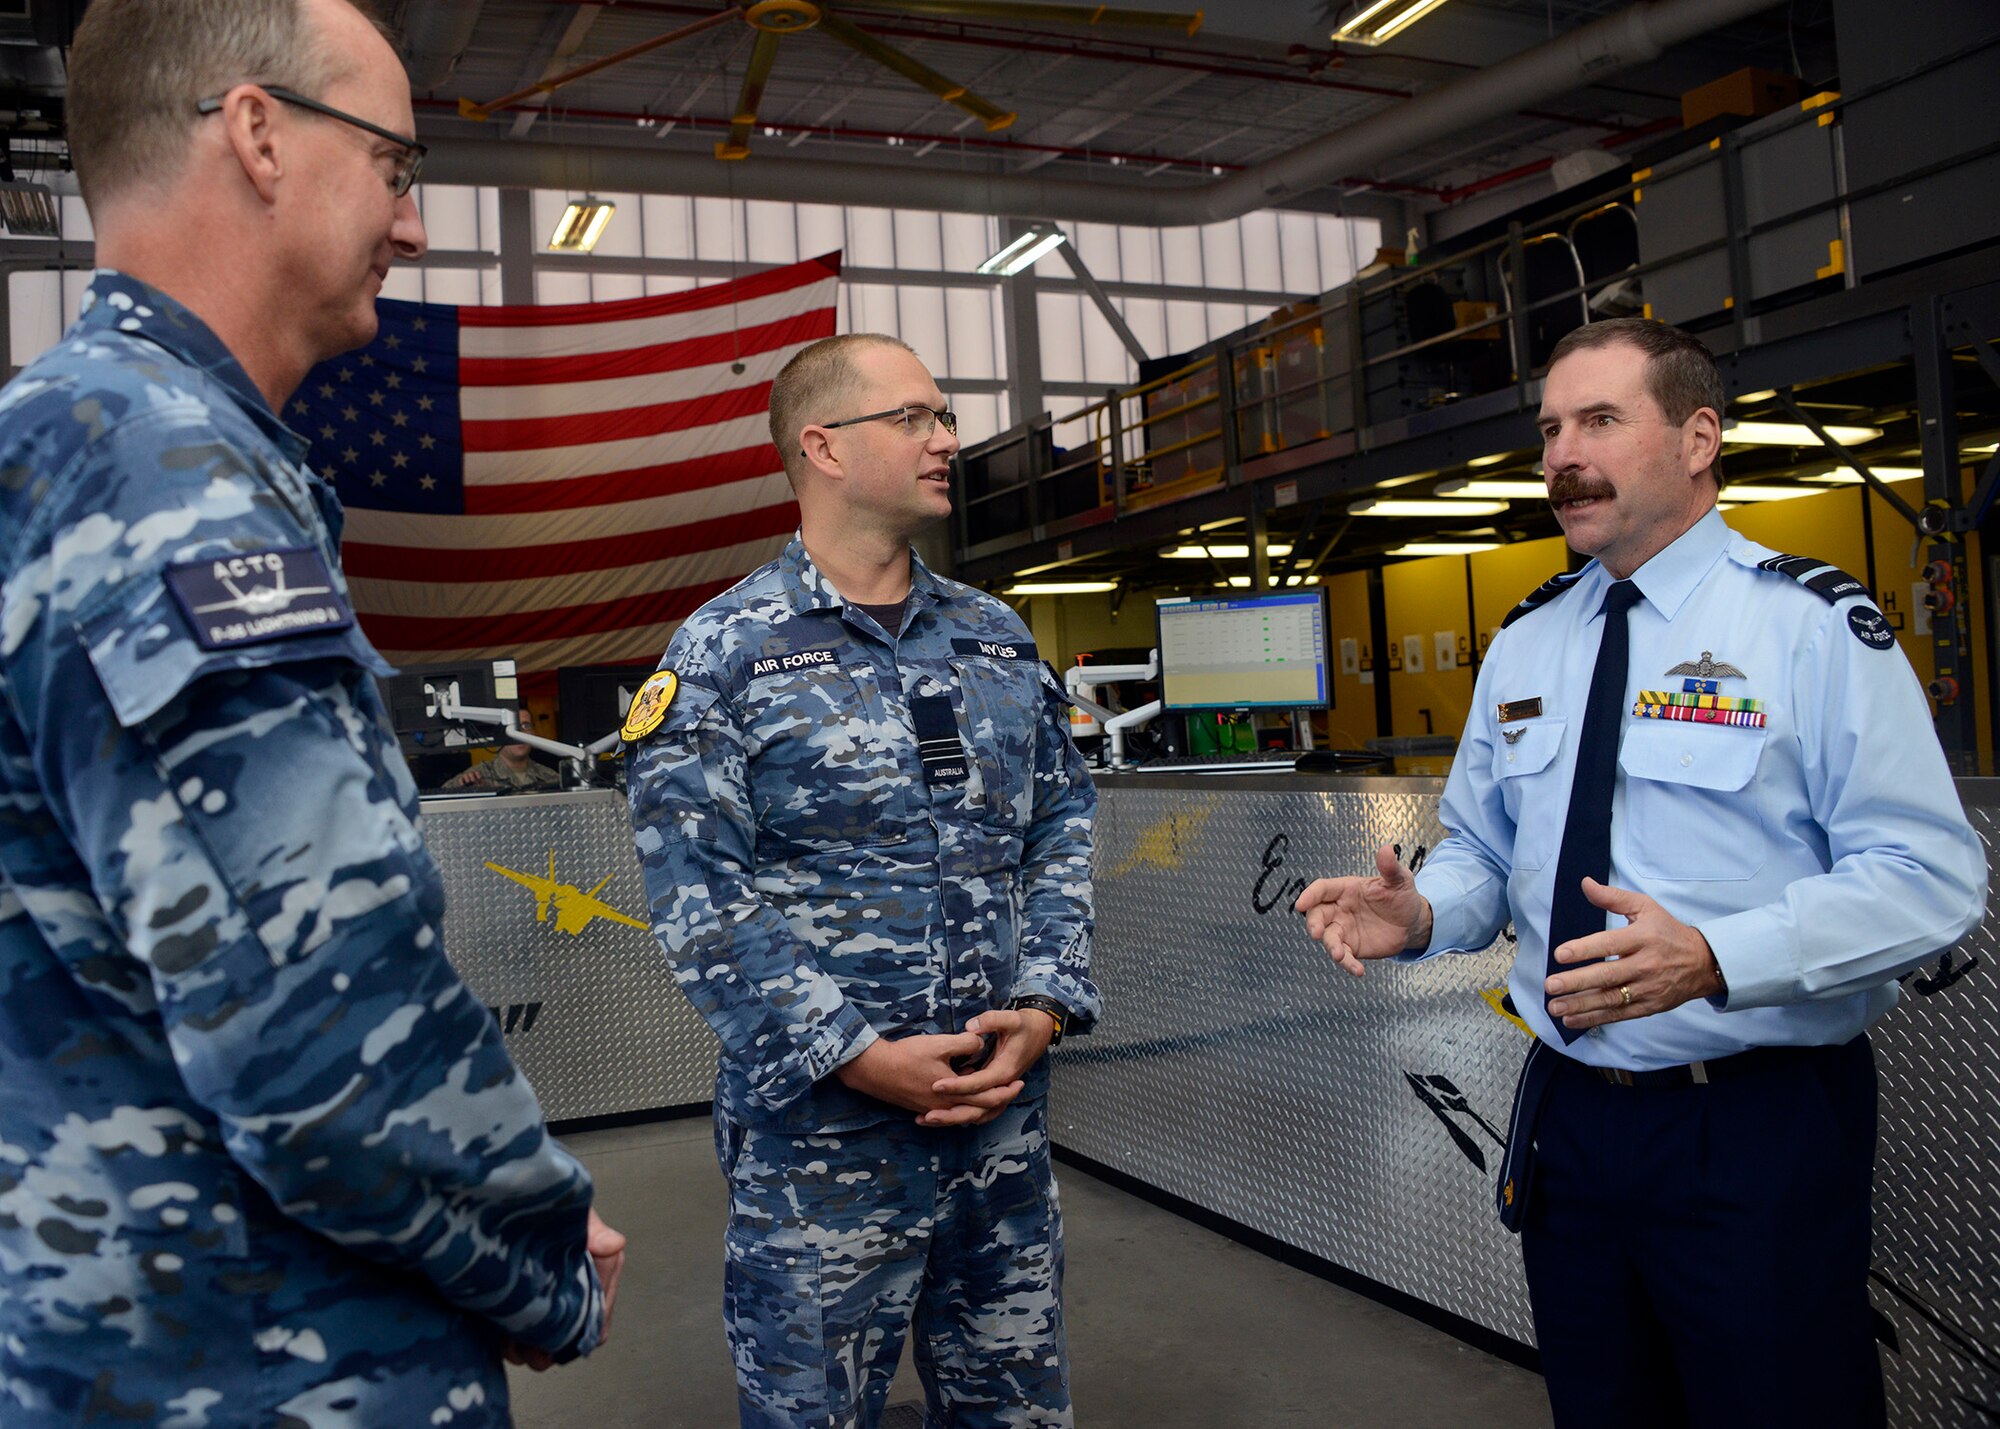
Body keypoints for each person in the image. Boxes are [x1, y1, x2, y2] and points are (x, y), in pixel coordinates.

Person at [0, 2, 624, 1423]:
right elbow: (316, 1040)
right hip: (257, 1359)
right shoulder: (167, 478)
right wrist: (531, 1260)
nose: (412, 227)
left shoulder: (70, 439)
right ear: (260, 132)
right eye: (397, 165)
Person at [1294, 316, 1985, 1428]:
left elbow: (1927, 874)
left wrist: (1715, 957)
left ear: (1698, 436)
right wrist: (1424, 912)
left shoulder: (1803, 626)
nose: (1562, 452)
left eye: (1600, 420)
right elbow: (1484, 849)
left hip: (1750, 1123)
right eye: (1549, 428)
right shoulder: (1526, 641)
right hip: (1570, 1119)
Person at [626, 333, 1100, 1429]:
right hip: (819, 1146)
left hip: (998, 1124)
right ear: (823, 446)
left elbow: (1061, 825)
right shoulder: (721, 655)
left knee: (1014, 1408)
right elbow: (698, 895)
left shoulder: (992, 638)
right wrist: (855, 1054)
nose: (947, 439)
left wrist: (1043, 1002)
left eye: (943, 416)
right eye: (916, 417)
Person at [444, 710, 563, 790]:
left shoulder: (550, 777)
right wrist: (463, 788)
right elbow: (441, 797)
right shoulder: (479, 776)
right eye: (512, 727)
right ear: (499, 734)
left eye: (526, 726)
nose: (520, 734)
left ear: (534, 733)